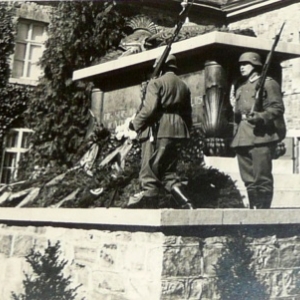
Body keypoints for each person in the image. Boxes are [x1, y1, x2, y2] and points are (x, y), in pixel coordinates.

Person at [126, 54, 194, 209]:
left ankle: (151, 204)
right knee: (168, 171)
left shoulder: (156, 83)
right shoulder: (184, 86)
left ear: (161, 66)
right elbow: (188, 113)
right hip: (179, 129)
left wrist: (134, 124)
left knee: (151, 168)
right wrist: (186, 131)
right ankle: (187, 203)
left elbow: (149, 109)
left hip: (160, 128)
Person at [230, 51, 286, 209]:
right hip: (242, 137)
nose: (242, 68)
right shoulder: (240, 87)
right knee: (248, 180)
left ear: (255, 66)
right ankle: (254, 214)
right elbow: (237, 114)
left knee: (262, 178)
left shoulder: (268, 83)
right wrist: (235, 134)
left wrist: (261, 116)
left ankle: (263, 217)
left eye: (246, 64)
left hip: (261, 135)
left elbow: (277, 108)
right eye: (240, 65)